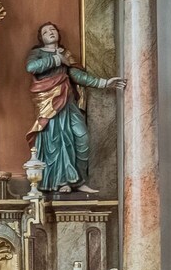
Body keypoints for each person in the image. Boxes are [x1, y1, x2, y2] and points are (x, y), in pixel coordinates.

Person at [27, 23, 125, 193]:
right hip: (50, 103)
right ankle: (62, 181)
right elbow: (31, 67)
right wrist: (56, 59)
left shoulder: (66, 54)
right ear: (41, 38)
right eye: (45, 32)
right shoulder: (38, 53)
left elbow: (76, 75)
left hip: (68, 101)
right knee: (58, 140)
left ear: (58, 33)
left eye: (53, 30)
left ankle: (79, 180)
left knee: (82, 137)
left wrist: (103, 83)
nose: (50, 32)